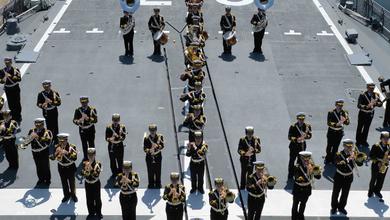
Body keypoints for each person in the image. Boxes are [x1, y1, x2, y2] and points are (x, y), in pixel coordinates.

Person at [292, 151, 321, 220]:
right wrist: (306, 173)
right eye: (304, 159)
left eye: (307, 159)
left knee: (303, 204)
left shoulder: (312, 166)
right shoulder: (297, 166)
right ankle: (294, 217)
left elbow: (318, 177)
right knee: (295, 205)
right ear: (301, 158)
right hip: (298, 188)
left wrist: (316, 172)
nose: (306, 161)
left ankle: (301, 216)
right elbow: (297, 177)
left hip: (306, 188)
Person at [24, 118, 53, 185]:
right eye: (36, 125)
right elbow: (27, 141)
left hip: (43, 151)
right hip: (35, 151)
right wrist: (27, 141)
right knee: (38, 165)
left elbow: (48, 143)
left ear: (43, 124)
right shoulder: (32, 131)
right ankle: (41, 179)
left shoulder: (47, 132)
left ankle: (47, 179)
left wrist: (38, 138)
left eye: (39, 125)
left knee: (45, 166)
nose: (37, 126)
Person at [331, 139, 355, 215]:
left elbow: (359, 163)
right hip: (339, 176)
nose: (349, 148)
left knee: (345, 193)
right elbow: (338, 165)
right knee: (335, 193)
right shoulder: (338, 154)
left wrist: (358, 159)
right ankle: (334, 207)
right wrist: (348, 159)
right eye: (347, 146)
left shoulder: (354, 154)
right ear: (344, 146)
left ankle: (341, 207)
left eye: (350, 146)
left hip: (348, 176)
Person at [356, 83, 382, 148]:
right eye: (370, 88)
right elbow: (359, 105)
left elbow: (380, 103)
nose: (372, 89)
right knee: (360, 127)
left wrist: (377, 103)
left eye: (373, 88)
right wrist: (366, 107)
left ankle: (364, 140)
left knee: (366, 128)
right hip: (363, 113)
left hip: (370, 114)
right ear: (367, 87)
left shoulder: (376, 95)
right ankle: (358, 141)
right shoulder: (362, 95)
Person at [54, 133, 78, 203]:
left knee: (72, 182)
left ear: (66, 140)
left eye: (63, 141)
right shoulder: (57, 147)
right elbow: (52, 157)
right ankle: (66, 195)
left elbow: (74, 158)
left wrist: (67, 153)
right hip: (61, 167)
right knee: (64, 182)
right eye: (60, 141)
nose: (62, 143)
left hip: (70, 167)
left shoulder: (72, 147)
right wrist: (56, 153)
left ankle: (73, 195)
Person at [288, 112, 312, 179]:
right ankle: (290, 174)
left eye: (302, 119)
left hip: (302, 145)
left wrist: (306, 136)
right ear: (297, 119)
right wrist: (297, 139)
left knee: (300, 160)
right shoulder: (293, 126)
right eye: (300, 119)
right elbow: (290, 137)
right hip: (294, 146)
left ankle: (297, 173)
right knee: (292, 160)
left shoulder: (307, 126)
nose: (301, 121)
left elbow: (310, 135)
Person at [325, 99, 350, 164]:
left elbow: (347, 123)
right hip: (332, 131)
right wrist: (336, 124)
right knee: (329, 146)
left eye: (341, 105)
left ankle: (333, 158)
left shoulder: (344, 112)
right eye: (339, 105)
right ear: (336, 105)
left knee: (336, 147)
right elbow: (329, 123)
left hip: (339, 132)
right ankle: (328, 158)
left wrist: (345, 120)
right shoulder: (331, 113)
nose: (340, 107)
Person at [73, 96, 97, 161]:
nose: (84, 104)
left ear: (87, 102)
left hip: (90, 129)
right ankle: (86, 157)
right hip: (82, 129)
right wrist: (79, 120)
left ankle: (92, 157)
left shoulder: (92, 110)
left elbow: (95, 120)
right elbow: (74, 120)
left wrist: (88, 119)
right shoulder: (78, 110)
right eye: (82, 102)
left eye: (85, 102)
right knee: (84, 144)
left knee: (91, 144)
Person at [37, 80, 61, 144]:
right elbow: (38, 103)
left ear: (50, 86)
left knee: (55, 125)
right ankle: (50, 138)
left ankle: (56, 140)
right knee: (48, 125)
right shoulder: (41, 94)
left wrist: (51, 102)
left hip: (53, 111)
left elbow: (59, 102)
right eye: (45, 86)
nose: (46, 87)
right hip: (46, 111)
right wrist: (42, 105)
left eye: (47, 86)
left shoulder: (55, 93)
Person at [368, 131, 390, 202]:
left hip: (384, 165)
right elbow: (371, 156)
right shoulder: (376, 146)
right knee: (373, 179)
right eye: (385, 138)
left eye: (387, 138)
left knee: (381, 180)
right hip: (376, 165)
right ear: (381, 138)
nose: (386, 140)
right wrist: (378, 160)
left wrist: (388, 158)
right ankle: (370, 191)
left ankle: (377, 190)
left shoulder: (389, 146)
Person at [81, 148, 103, 219]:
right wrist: (85, 171)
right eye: (89, 155)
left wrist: (91, 168)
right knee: (89, 199)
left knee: (97, 199)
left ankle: (99, 212)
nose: (90, 156)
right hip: (88, 183)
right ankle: (91, 212)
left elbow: (96, 175)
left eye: (92, 155)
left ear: (95, 155)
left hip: (95, 183)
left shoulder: (98, 164)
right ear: (87, 155)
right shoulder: (84, 163)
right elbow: (82, 173)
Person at [0, 58, 22, 123]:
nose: (7, 63)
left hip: (15, 88)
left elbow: (19, 79)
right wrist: (4, 78)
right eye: (6, 61)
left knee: (17, 103)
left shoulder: (15, 70)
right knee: (10, 103)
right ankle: (13, 117)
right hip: (8, 89)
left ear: (11, 62)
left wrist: (11, 76)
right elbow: (1, 81)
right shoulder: (2, 70)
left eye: (8, 61)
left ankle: (18, 116)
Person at [144, 124, 164, 189]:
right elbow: (145, 148)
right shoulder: (146, 138)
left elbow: (162, 145)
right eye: (151, 130)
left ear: (156, 130)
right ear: (149, 131)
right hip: (149, 157)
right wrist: (150, 150)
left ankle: (158, 183)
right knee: (150, 171)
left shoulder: (160, 137)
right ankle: (151, 183)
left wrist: (157, 146)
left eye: (154, 130)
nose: (152, 132)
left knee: (158, 171)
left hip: (157, 156)